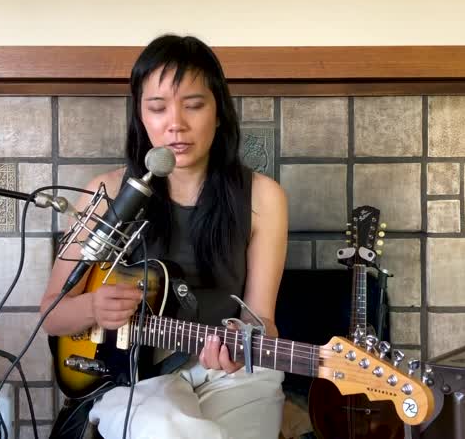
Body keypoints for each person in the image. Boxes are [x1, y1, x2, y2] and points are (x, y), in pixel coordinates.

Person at [40, 34, 289, 439]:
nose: (176, 123)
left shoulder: (264, 197)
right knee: (168, 429)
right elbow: (51, 314)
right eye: (158, 107)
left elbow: (261, 320)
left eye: (194, 105)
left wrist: (243, 342)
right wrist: (93, 307)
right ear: (141, 115)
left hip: (233, 375)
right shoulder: (103, 194)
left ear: (219, 112)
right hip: (135, 379)